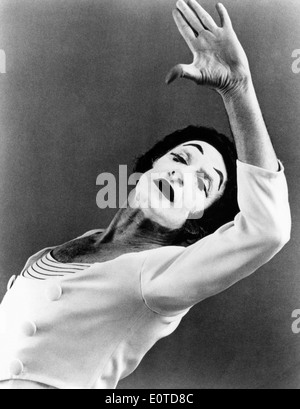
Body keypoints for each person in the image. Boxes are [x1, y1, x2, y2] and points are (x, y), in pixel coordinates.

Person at [0, 0, 291, 389]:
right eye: (180, 158)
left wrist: (238, 88)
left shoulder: (160, 275)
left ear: (197, 218)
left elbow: (268, 230)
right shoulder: (69, 249)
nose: (182, 173)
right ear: (149, 167)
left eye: (204, 183)